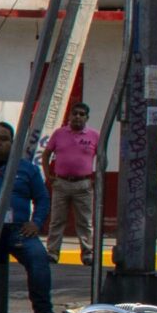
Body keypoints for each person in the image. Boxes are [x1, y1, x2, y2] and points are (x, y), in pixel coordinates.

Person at [0, 120, 54, 313]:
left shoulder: (26, 169)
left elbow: (42, 199)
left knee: (38, 258)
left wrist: (36, 223)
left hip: (18, 230)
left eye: (3, 139)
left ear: (12, 143)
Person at [41, 99, 99, 260]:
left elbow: (102, 157)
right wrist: (48, 176)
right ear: (69, 115)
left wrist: (96, 178)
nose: (78, 117)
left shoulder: (94, 135)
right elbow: (46, 155)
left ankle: (87, 253)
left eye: (82, 114)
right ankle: (53, 252)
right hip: (61, 183)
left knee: (85, 222)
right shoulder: (59, 134)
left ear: (87, 118)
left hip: (83, 185)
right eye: (75, 114)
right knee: (57, 220)